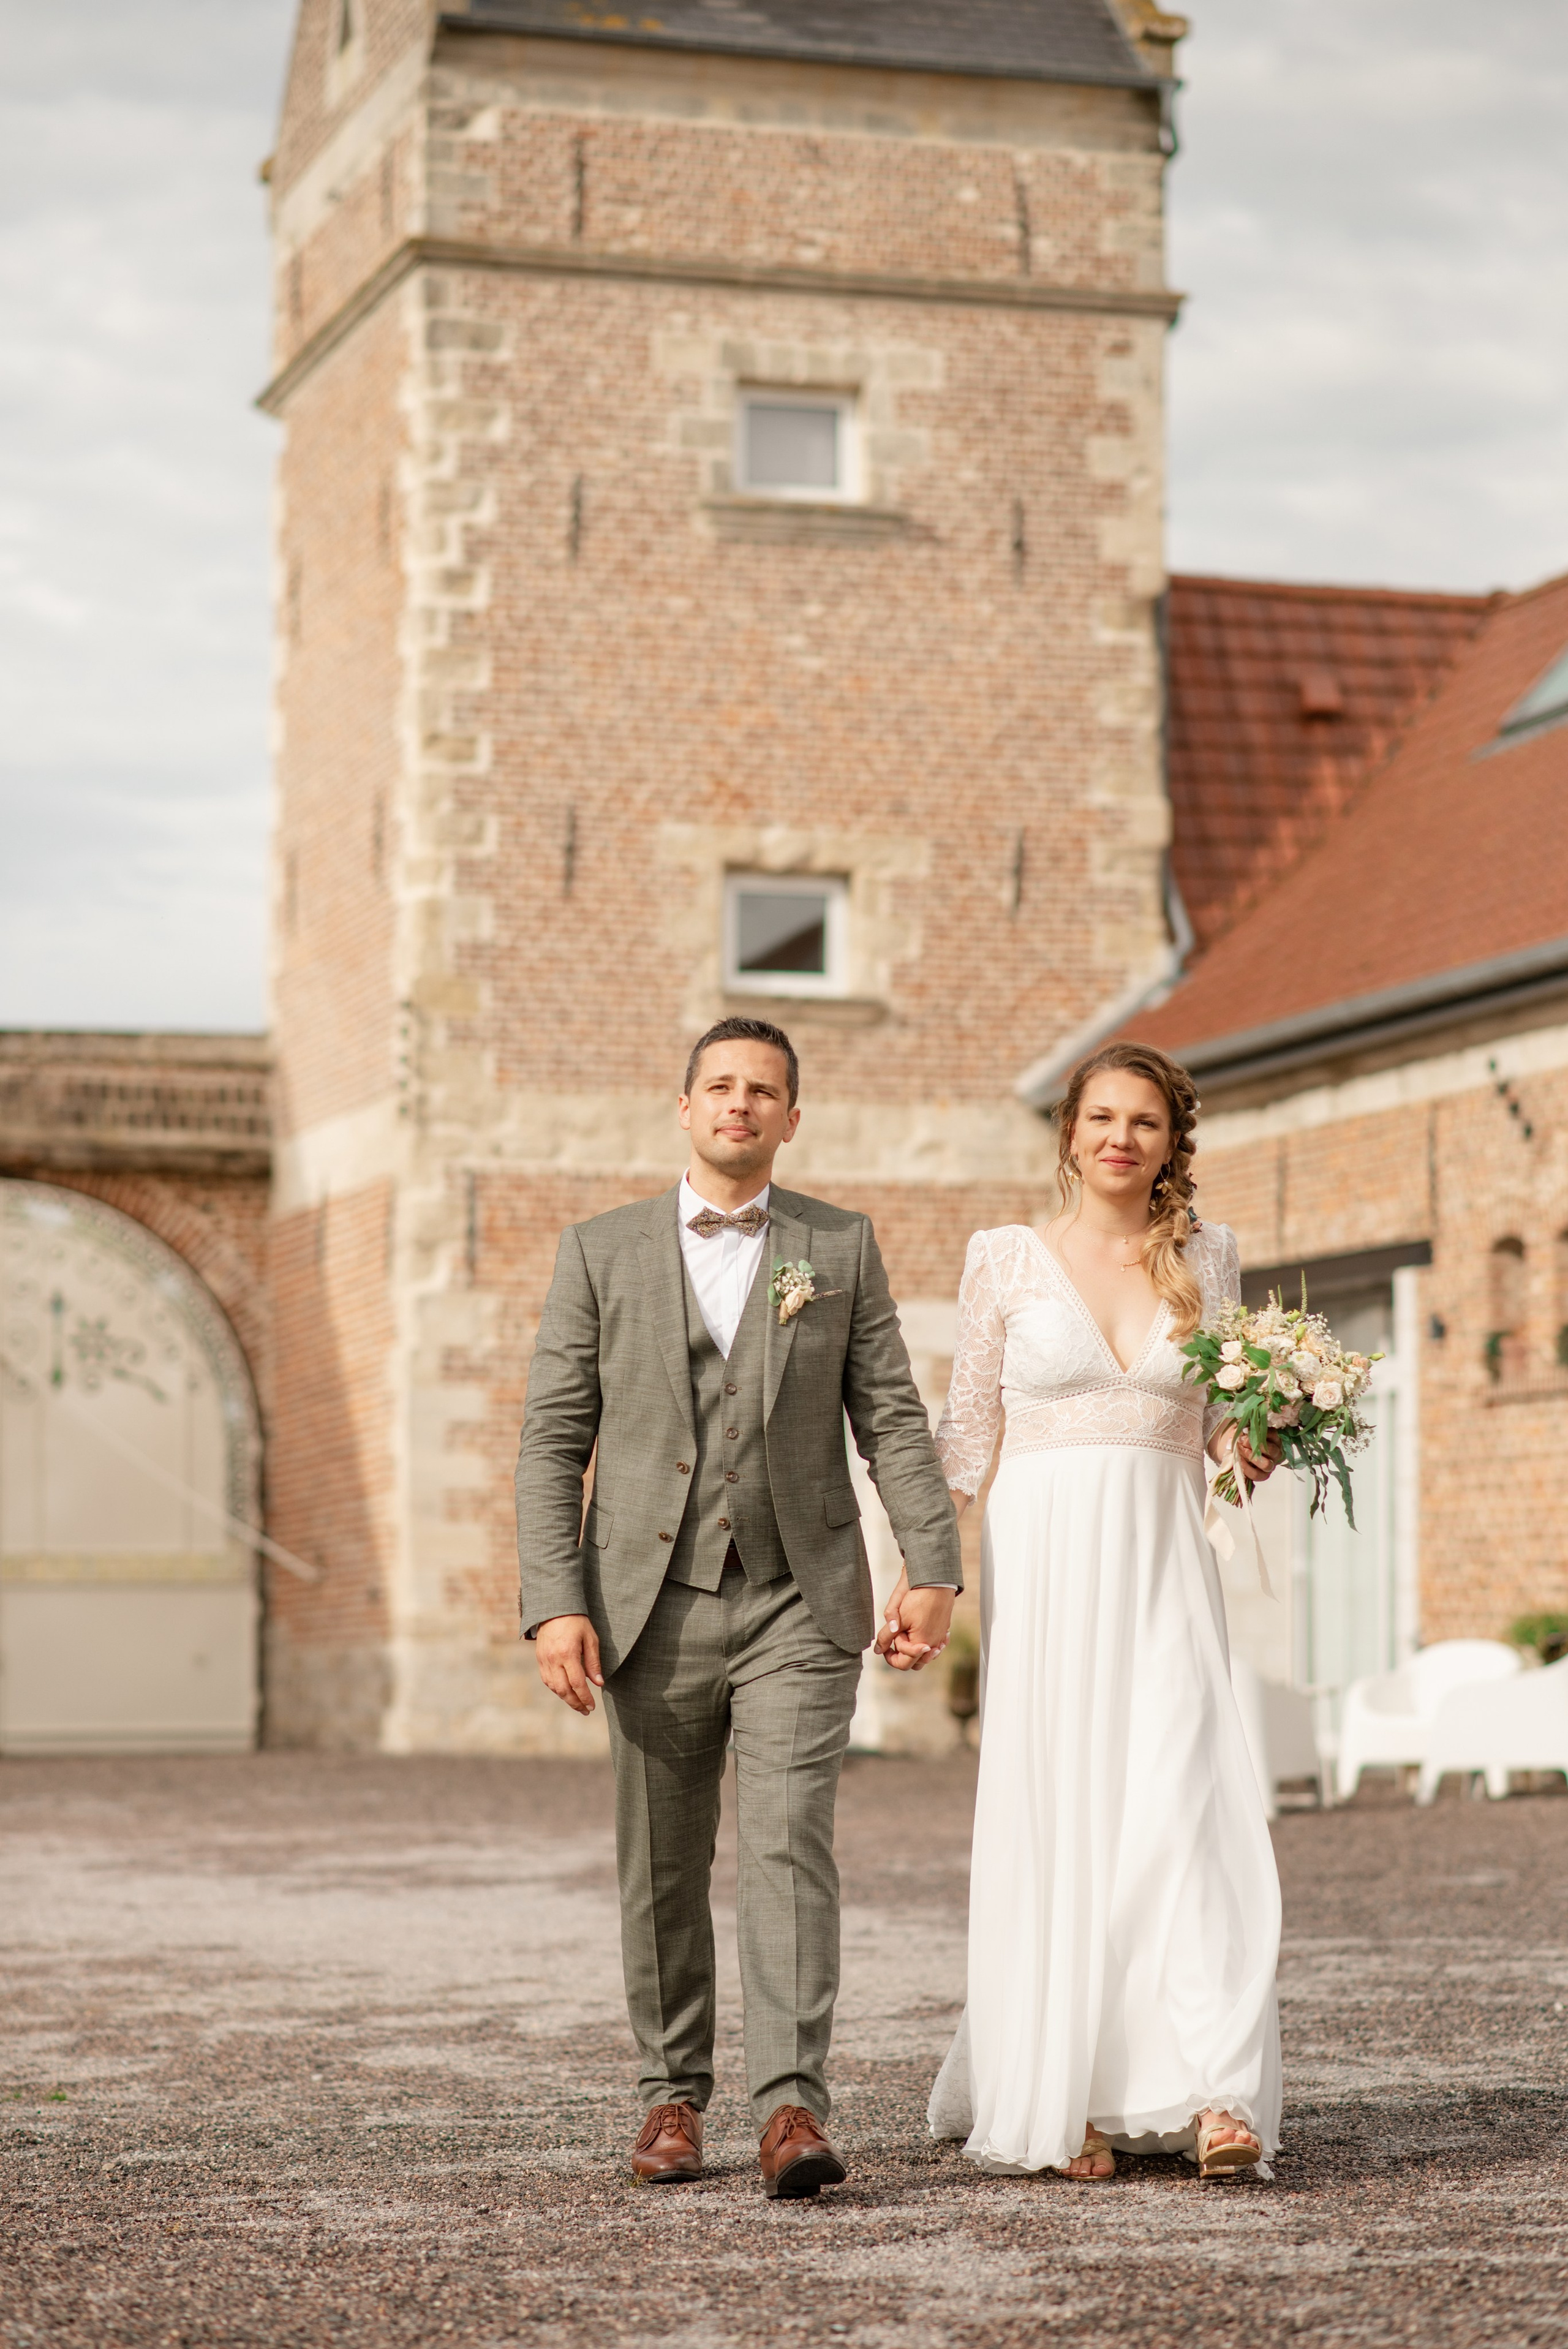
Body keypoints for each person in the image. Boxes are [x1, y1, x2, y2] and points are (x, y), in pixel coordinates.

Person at [515, 1016, 960, 2197]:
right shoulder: (599, 1251)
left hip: (798, 1602)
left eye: (765, 1091)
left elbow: (895, 1421)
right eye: (720, 1085)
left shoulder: (839, 1246)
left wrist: (935, 1565)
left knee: (787, 1845)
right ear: (685, 1106)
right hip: (644, 1604)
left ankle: (792, 2113)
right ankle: (671, 2098)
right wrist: (555, 1602)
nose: (741, 1105)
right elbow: (555, 1442)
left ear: (791, 1119)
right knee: (662, 1861)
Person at [882, 1041, 1283, 2183]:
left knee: (1185, 1801)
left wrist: (1250, 1441)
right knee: (1065, 1811)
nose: (1122, 1137)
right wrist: (924, 1576)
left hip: (1163, 1561)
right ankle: (1072, 2096)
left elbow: (1214, 1421)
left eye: (1145, 1122)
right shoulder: (1004, 1259)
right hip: (1047, 1565)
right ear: (1069, 1133)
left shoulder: (1211, 1257)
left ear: (1172, 1142)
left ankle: (1215, 2091)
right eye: (1102, 1117)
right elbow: (966, 1439)